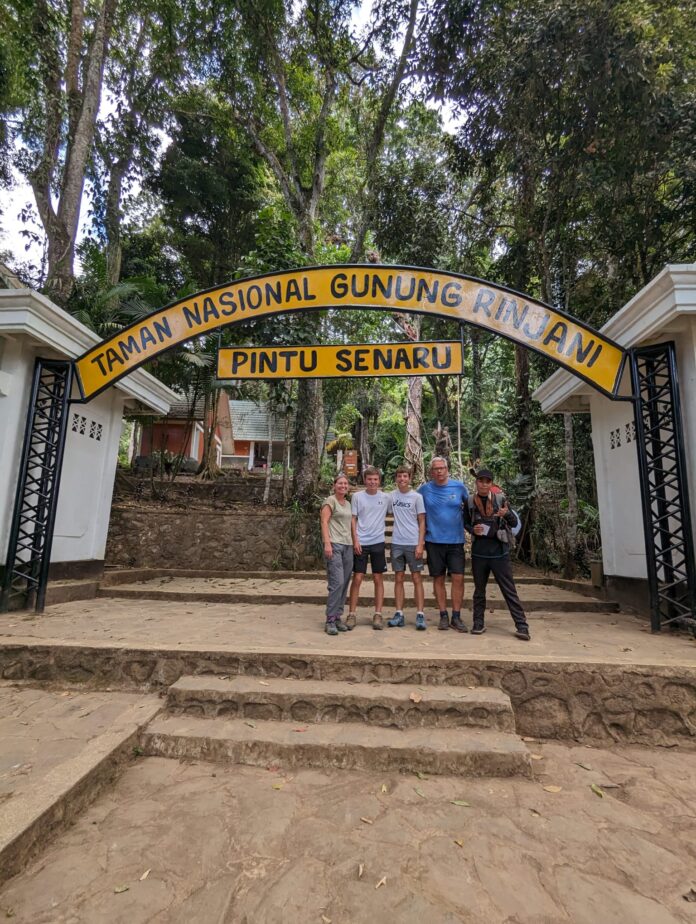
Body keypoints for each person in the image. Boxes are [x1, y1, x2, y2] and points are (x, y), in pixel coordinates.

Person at [463, 468, 531, 640]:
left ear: (491, 484)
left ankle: (522, 626)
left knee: (509, 590)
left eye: (487, 481)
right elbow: (464, 523)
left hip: (500, 553)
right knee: (479, 591)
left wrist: (506, 514)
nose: (484, 484)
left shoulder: (500, 500)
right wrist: (473, 529)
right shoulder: (470, 501)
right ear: (476, 482)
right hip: (479, 554)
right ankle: (478, 623)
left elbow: (515, 523)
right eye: (481, 481)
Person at [417, 457, 469, 632]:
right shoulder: (424, 490)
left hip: (455, 541)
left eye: (442, 468)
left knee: (458, 578)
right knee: (438, 578)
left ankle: (456, 615)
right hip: (433, 541)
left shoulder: (459, 487)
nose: (439, 471)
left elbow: (470, 509)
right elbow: (415, 512)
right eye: (435, 469)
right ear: (431, 471)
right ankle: (443, 615)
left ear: (447, 469)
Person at [348, 466, 389, 630]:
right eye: (369, 479)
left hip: (378, 542)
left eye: (375, 479)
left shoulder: (386, 498)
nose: (372, 482)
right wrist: (355, 540)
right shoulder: (357, 497)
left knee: (378, 578)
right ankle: (351, 614)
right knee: (357, 578)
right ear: (365, 480)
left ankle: (378, 614)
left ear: (379, 481)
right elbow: (353, 519)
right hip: (361, 542)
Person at [387, 464, 427, 630]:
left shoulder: (416, 497)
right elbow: (386, 511)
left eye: (405, 476)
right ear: (396, 478)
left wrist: (420, 544)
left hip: (413, 543)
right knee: (399, 578)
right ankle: (399, 613)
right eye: (399, 476)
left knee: (417, 578)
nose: (402, 479)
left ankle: (420, 614)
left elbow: (422, 521)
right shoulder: (391, 496)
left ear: (409, 478)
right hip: (397, 542)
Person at [320, 473, 353, 636]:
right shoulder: (330, 501)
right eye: (340, 483)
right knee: (337, 582)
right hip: (334, 544)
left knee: (345, 582)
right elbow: (324, 522)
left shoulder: (347, 503)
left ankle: (338, 616)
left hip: (348, 545)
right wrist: (327, 543)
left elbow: (350, 524)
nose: (343, 486)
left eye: (345, 484)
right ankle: (330, 619)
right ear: (334, 485)